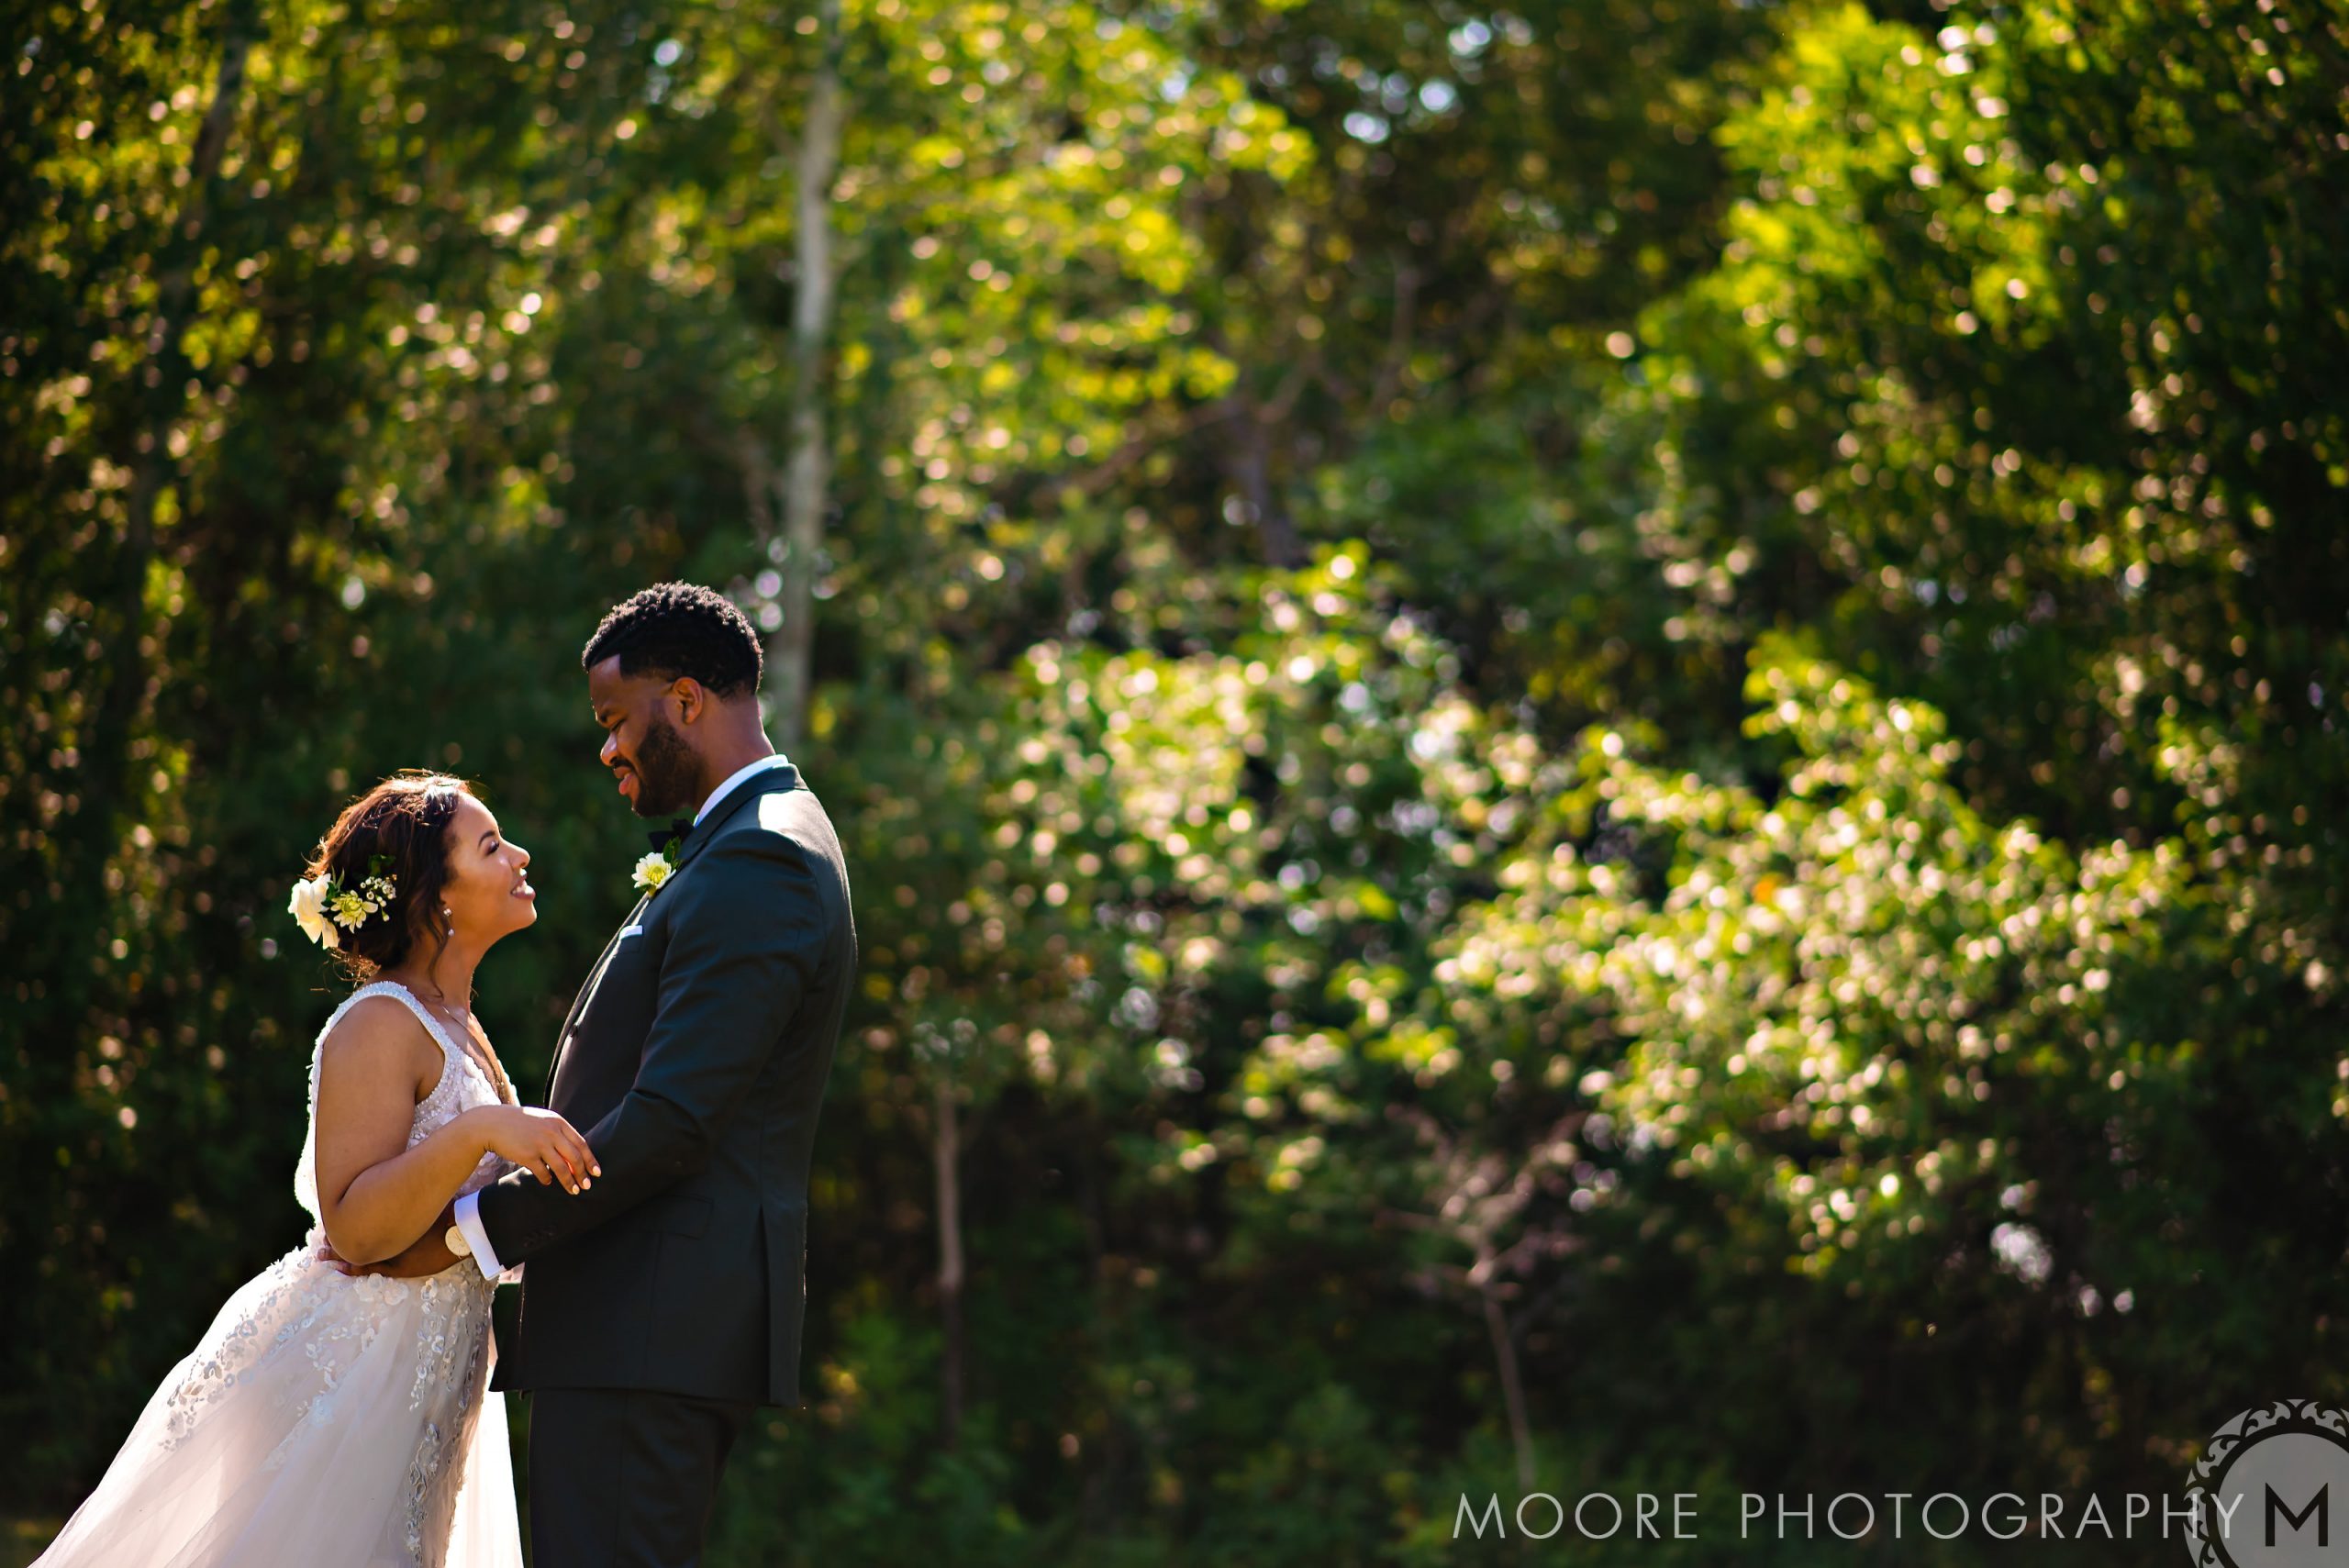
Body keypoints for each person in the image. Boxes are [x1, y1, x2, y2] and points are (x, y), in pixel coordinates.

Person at [340, 582, 860, 1567]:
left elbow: (670, 1120)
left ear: (688, 699)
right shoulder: (733, 845)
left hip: (649, 1321)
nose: (608, 748)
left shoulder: (761, 857)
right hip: (639, 1324)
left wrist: (475, 1231)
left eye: (617, 719)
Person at [33, 772, 596, 1567]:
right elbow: (357, 1226)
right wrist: (479, 1130)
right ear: (435, 896)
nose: (519, 856)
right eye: (492, 845)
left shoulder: (461, 1028)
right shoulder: (378, 1022)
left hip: (425, 1384)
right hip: (351, 1376)